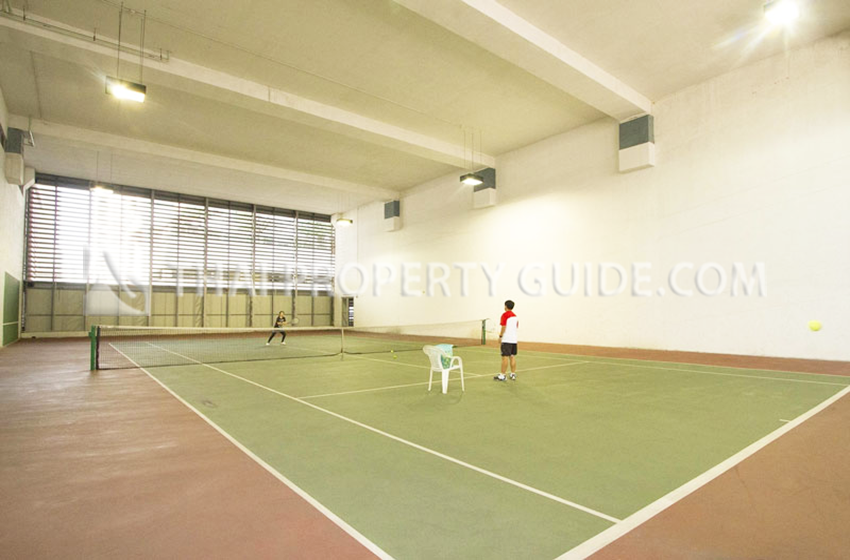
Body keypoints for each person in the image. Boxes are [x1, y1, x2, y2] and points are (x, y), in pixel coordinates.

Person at [494, 300, 518, 381]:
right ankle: (513, 374)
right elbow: (516, 327)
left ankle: (502, 375)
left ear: (506, 306)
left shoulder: (505, 315)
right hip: (514, 340)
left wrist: (500, 336)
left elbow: (503, 327)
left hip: (506, 340)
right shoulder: (515, 317)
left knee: (505, 357)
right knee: (512, 356)